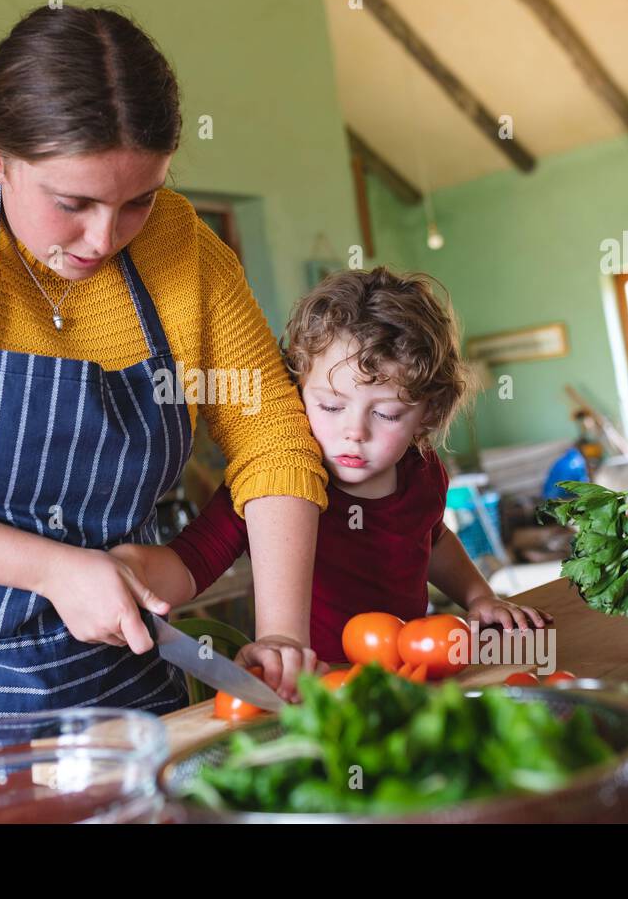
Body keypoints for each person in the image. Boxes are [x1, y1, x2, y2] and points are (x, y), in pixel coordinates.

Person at [0, 6, 326, 822]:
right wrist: (52, 568)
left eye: (138, 200)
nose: (103, 238)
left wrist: (282, 634)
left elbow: (274, 439)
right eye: (72, 202)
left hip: (115, 689)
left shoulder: (183, 247)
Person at [120, 267, 552, 664]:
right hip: (316, 687)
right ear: (297, 389)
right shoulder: (274, 483)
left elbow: (433, 538)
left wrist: (479, 596)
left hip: (410, 676)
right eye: (329, 405)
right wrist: (128, 570)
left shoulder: (422, 472)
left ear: (429, 414)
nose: (354, 432)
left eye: (386, 414)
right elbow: (191, 562)